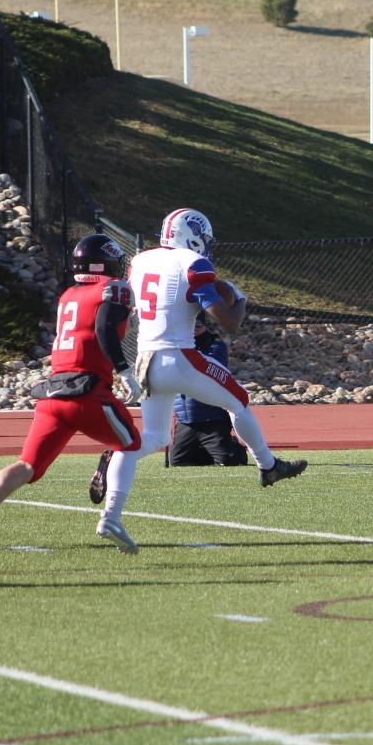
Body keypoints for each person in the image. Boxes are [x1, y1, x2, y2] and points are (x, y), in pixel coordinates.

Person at [92, 208, 306, 550]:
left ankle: (111, 515)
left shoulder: (140, 261)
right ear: (190, 234)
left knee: (150, 438)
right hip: (180, 357)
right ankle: (269, 466)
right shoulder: (193, 262)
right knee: (239, 401)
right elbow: (227, 320)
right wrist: (240, 299)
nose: (206, 245)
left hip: (145, 362)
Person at [0, 234, 143, 563]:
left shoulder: (69, 294)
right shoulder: (114, 289)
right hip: (87, 390)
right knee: (132, 443)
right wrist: (124, 371)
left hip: (53, 392)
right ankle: (111, 518)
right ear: (104, 263)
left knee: (27, 466)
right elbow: (103, 329)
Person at [170, 315, 248, 467]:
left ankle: (234, 448)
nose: (193, 330)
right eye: (189, 326)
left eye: (197, 326)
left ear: (205, 326)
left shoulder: (215, 346)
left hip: (212, 419)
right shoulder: (175, 345)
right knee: (178, 462)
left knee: (228, 462)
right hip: (186, 421)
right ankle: (204, 450)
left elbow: (207, 368)